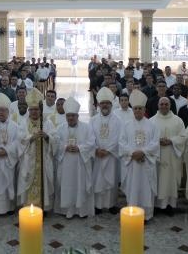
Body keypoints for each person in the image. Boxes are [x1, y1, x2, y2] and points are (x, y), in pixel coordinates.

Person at [119, 90, 160, 221]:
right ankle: (132, 212)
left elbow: (155, 143)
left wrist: (143, 152)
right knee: (133, 188)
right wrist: (132, 153)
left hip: (146, 163)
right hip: (132, 164)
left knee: (146, 189)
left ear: (144, 109)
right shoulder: (126, 125)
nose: (137, 111)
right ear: (133, 109)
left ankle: (146, 215)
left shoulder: (152, 125)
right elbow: (122, 142)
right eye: (135, 108)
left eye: (140, 108)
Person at [17, 88, 57, 211]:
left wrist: (47, 137)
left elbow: (55, 138)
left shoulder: (47, 122)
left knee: (43, 181)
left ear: (40, 110)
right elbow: (20, 139)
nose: (34, 112)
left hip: (43, 159)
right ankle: (29, 205)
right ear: (29, 110)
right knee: (28, 180)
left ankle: (42, 207)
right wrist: (31, 137)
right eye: (32, 110)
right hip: (29, 159)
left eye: (36, 109)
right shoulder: (24, 123)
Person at [55, 97, 95, 218]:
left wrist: (79, 148)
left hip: (80, 164)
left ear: (77, 116)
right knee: (66, 186)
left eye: (73, 115)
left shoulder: (86, 127)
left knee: (80, 186)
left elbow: (91, 142)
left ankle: (81, 211)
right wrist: (65, 147)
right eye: (68, 116)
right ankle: (66, 210)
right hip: (65, 162)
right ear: (66, 116)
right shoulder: (60, 128)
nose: (70, 118)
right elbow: (56, 143)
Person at [150, 97, 186, 215]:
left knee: (170, 180)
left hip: (172, 156)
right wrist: (157, 142)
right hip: (157, 157)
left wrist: (171, 141)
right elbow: (147, 139)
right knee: (157, 180)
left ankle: (170, 205)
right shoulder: (151, 121)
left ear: (170, 105)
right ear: (158, 105)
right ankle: (156, 205)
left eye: (166, 104)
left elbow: (183, 137)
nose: (164, 106)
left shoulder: (178, 120)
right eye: (162, 104)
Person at [90, 87, 122, 215]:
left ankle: (111, 204)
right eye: (102, 103)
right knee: (97, 179)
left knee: (111, 180)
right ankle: (97, 205)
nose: (104, 105)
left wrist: (108, 151)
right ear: (98, 104)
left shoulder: (118, 121)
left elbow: (119, 138)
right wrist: (96, 149)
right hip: (97, 156)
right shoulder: (93, 120)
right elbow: (90, 137)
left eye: (107, 103)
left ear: (111, 104)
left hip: (111, 157)